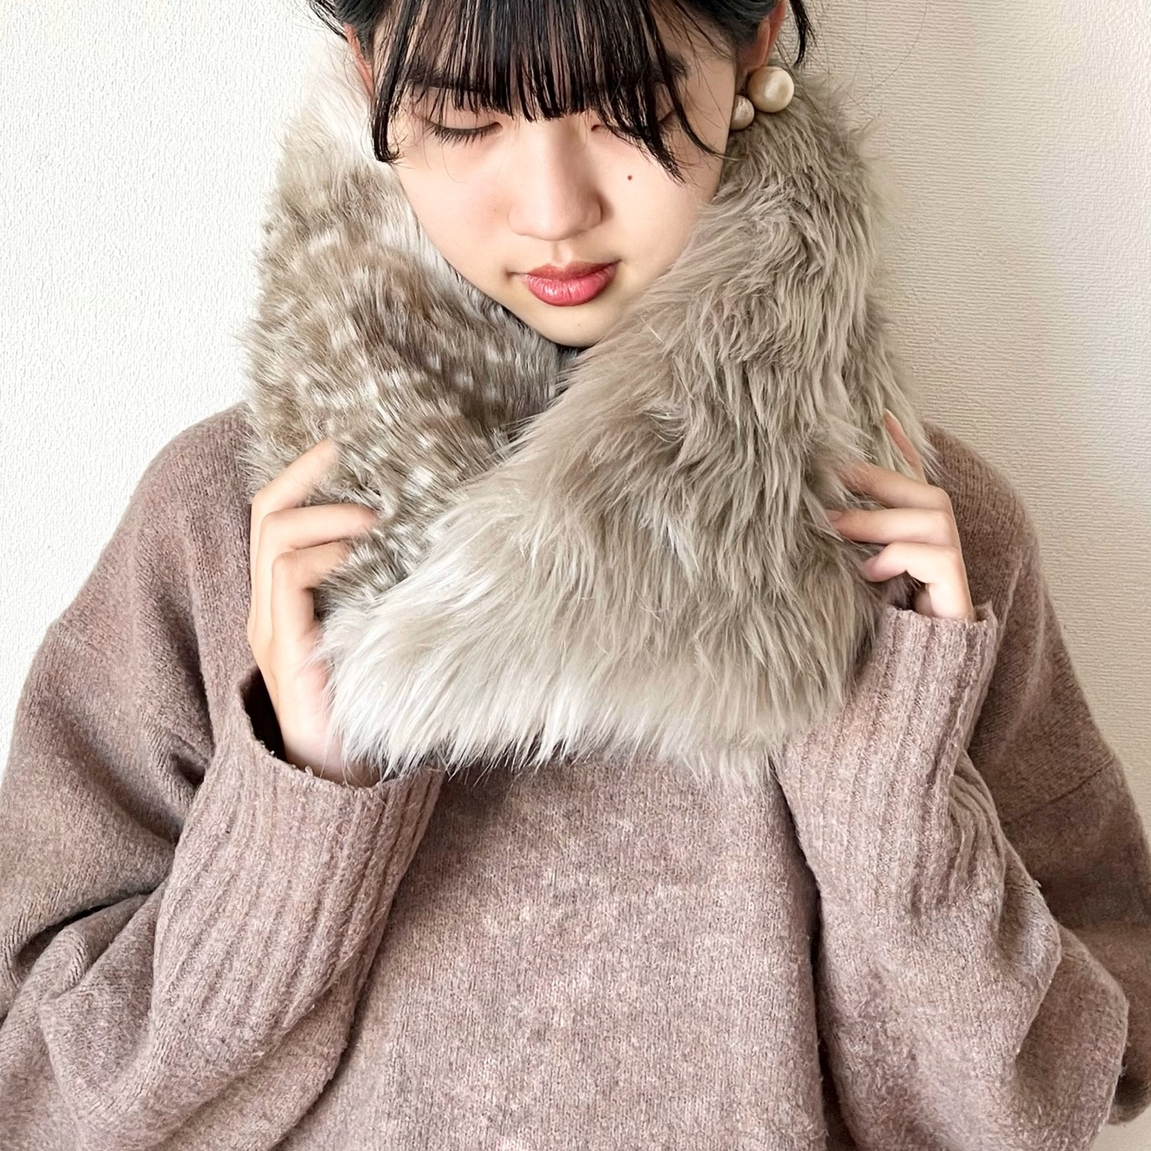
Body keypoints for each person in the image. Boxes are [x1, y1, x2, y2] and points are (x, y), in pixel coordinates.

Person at [2, 0, 1149, 1146]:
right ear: (367, 70)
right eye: (467, 119)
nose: (553, 210)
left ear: (752, 50)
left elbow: (1051, 1100)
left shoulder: (925, 553)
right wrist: (304, 794)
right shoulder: (235, 526)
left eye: (627, 109)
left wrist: (887, 783)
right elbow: (40, 1098)